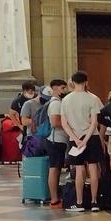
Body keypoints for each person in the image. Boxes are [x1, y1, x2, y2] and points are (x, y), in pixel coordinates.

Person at [60, 71, 104, 213]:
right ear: (86, 81)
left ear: (72, 82)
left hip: (75, 138)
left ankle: (79, 203)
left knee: (79, 170)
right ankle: (94, 201)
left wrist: (77, 139)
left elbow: (64, 124)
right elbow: (94, 123)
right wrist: (85, 139)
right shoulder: (92, 98)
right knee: (93, 169)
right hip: (91, 137)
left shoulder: (66, 100)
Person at [44, 79, 69, 208]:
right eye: (62, 88)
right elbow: (55, 123)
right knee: (54, 168)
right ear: (55, 88)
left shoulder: (58, 102)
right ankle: (54, 199)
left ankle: (56, 197)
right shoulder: (55, 104)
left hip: (58, 140)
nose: (65, 90)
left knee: (57, 168)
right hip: (55, 140)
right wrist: (69, 126)